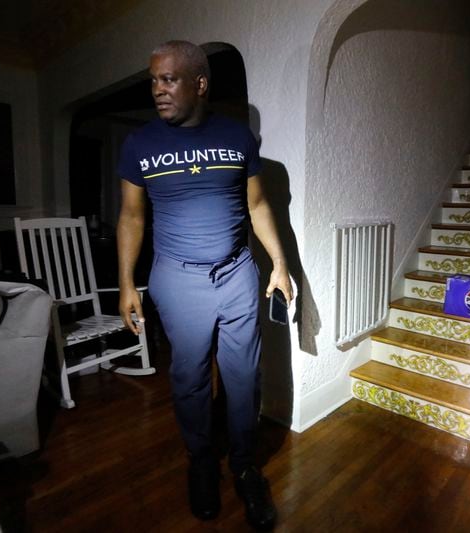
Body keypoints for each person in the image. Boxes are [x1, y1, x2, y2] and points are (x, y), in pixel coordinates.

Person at [115, 40, 292, 530]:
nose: (158, 90)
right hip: (176, 279)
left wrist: (279, 263)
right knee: (189, 378)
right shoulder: (139, 144)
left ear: (199, 84)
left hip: (237, 274)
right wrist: (127, 283)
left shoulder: (237, 137)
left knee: (243, 378)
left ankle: (244, 465)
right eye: (153, 80)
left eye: (168, 79)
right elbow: (131, 216)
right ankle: (200, 461)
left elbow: (258, 206)